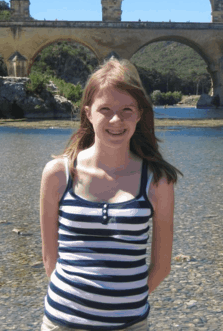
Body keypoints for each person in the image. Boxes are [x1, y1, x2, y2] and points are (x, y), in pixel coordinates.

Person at [40, 58, 181, 331]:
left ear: (139, 114)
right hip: (62, 323)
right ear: (88, 113)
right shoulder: (58, 173)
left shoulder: (157, 180)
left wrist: (124, 301)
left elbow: (162, 266)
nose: (116, 120)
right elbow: (50, 259)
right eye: (105, 109)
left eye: (127, 109)